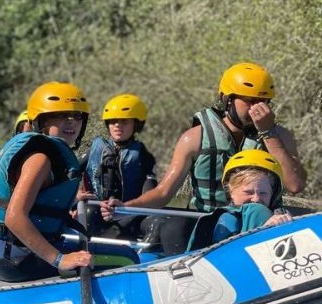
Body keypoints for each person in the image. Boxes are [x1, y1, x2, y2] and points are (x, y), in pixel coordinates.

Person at [101, 62, 306, 255]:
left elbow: (295, 185)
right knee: (174, 226)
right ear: (228, 100)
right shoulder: (194, 138)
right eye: (249, 101)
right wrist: (125, 207)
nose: (257, 109)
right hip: (212, 222)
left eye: (264, 102)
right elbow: (163, 193)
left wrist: (268, 133)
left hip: (265, 221)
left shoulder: (280, 136)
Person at [0, 82, 93, 282]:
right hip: (16, 260)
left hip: (20, 254)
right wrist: (59, 259)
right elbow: (14, 217)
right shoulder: (39, 159)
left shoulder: (47, 154)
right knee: (123, 259)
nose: (71, 122)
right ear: (41, 121)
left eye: (76, 116)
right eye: (60, 115)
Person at [82, 94, 157, 239]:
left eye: (124, 121)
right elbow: (70, 174)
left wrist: (125, 208)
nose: (117, 125)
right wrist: (77, 196)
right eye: (113, 121)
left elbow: (150, 193)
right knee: (89, 211)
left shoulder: (143, 155)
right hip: (97, 210)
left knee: (131, 223)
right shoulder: (95, 148)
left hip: (127, 213)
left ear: (136, 125)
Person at [187, 150, 292, 250]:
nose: (256, 199)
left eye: (263, 193)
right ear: (230, 191)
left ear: (273, 194)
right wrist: (265, 231)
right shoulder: (227, 220)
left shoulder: (282, 217)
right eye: (248, 192)